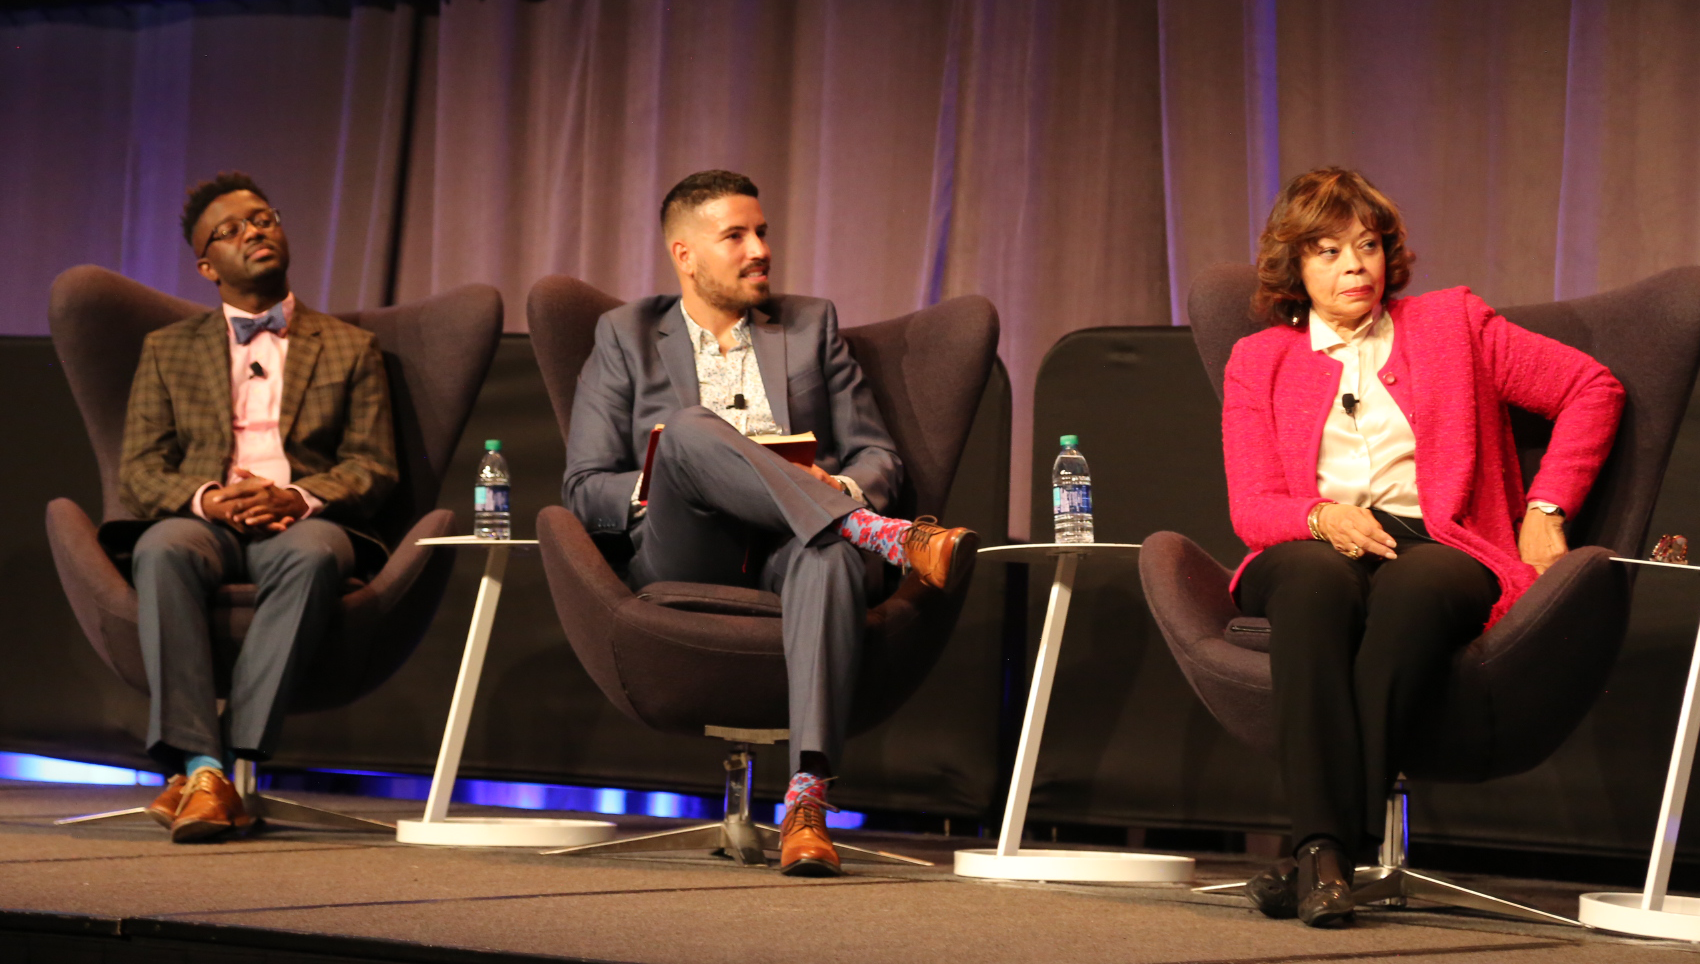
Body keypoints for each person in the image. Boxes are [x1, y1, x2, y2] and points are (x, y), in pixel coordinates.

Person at [1222, 168, 1623, 926]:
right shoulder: (1260, 360)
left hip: (1437, 540)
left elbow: (1592, 388)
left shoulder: (1453, 324)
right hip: (1307, 537)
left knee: (1415, 592)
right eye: (1330, 251)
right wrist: (1321, 518)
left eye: (1367, 246)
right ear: (1295, 268)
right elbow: (1253, 506)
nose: (1354, 267)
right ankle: (1330, 850)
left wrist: (1547, 503)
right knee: (1312, 588)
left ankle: (1317, 852)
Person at [564, 170, 977, 877]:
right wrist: (673, 471)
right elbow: (582, 486)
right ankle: (882, 534)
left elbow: (877, 455)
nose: (760, 249)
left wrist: (834, 487)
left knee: (833, 558)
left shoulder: (811, 325)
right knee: (691, 429)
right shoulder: (625, 335)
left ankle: (808, 803)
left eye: (763, 232)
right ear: (684, 254)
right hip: (684, 549)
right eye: (736, 236)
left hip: (795, 544)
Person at [119, 172, 398, 842]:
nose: (255, 231)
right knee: (160, 548)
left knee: (313, 556)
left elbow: (374, 465)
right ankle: (205, 763)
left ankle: (224, 767)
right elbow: (139, 469)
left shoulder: (350, 347)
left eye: (264, 217)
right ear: (207, 266)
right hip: (204, 520)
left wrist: (295, 496)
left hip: (299, 521)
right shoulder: (167, 349)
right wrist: (210, 498)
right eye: (232, 229)